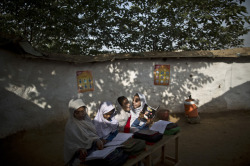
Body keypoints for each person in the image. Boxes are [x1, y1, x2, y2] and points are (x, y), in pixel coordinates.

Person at [64, 99, 104, 166]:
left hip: (90, 149)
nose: (81, 114)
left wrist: (97, 140)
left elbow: (91, 135)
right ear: (72, 113)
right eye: (77, 112)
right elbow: (70, 145)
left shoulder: (86, 120)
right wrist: (79, 149)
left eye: (82, 111)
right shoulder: (70, 126)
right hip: (79, 154)